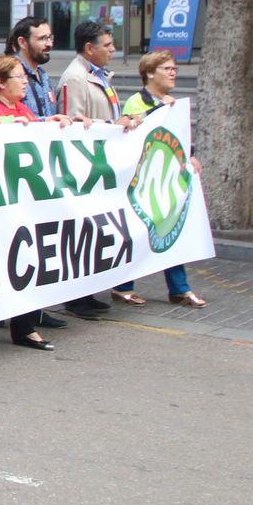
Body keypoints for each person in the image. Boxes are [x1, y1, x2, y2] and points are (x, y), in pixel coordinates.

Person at [0, 54, 76, 353]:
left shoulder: (21, 108)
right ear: (0, 82)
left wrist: (47, 123)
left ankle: (26, 322)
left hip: (26, 202)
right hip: (2, 205)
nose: (25, 81)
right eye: (18, 77)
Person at [56, 20, 137, 320]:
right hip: (87, 168)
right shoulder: (76, 79)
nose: (113, 50)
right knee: (82, 232)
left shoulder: (97, 75)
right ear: (89, 48)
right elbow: (74, 124)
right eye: (107, 45)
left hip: (102, 164)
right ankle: (76, 297)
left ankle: (87, 292)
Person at [113, 50, 206, 308]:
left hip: (164, 180)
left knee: (169, 230)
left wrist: (190, 156)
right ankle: (123, 287)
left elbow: (176, 137)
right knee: (139, 232)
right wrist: (161, 109)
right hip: (143, 181)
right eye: (166, 68)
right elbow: (140, 132)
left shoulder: (170, 103)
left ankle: (180, 288)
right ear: (150, 73)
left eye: (174, 68)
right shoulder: (137, 102)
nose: (173, 72)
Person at [5, 15, 57, 119]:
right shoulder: (9, 74)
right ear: (22, 42)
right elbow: (5, 117)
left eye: (50, 38)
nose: (49, 44)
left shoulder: (42, 75)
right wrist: (44, 122)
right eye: (42, 38)